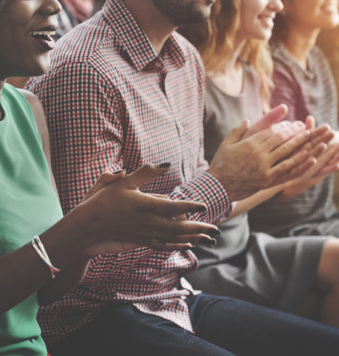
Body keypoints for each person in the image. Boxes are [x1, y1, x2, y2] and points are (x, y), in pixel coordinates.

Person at [26, 0, 339, 355]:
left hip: (173, 294)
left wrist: (268, 169)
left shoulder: (186, 59)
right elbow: (85, 261)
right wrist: (223, 181)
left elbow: (199, 187)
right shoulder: (85, 70)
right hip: (91, 315)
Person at [0, 0, 226, 355]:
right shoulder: (84, 67)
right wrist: (81, 227)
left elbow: (44, 295)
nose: (53, 6)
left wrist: (87, 240)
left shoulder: (28, 111)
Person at [180, 0, 339, 328]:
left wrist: (304, 165)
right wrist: (286, 175)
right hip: (205, 259)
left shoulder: (254, 73)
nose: (278, 5)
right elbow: (202, 203)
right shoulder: (193, 80)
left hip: (247, 243)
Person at [248, 1, 339, 237]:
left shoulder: (317, 59)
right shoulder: (275, 69)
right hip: (289, 229)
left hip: (325, 218)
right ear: (284, 4)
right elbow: (282, 187)